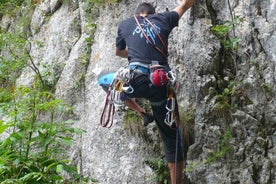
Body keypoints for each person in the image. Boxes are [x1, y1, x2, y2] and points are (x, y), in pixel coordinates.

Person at [114, 1, 195, 183]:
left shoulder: (125, 24)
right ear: (152, 13)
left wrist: (135, 51)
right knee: (171, 137)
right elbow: (185, 4)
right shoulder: (163, 19)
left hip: (136, 82)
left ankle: (141, 112)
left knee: (105, 80)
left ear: (137, 13)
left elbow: (118, 52)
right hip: (160, 84)